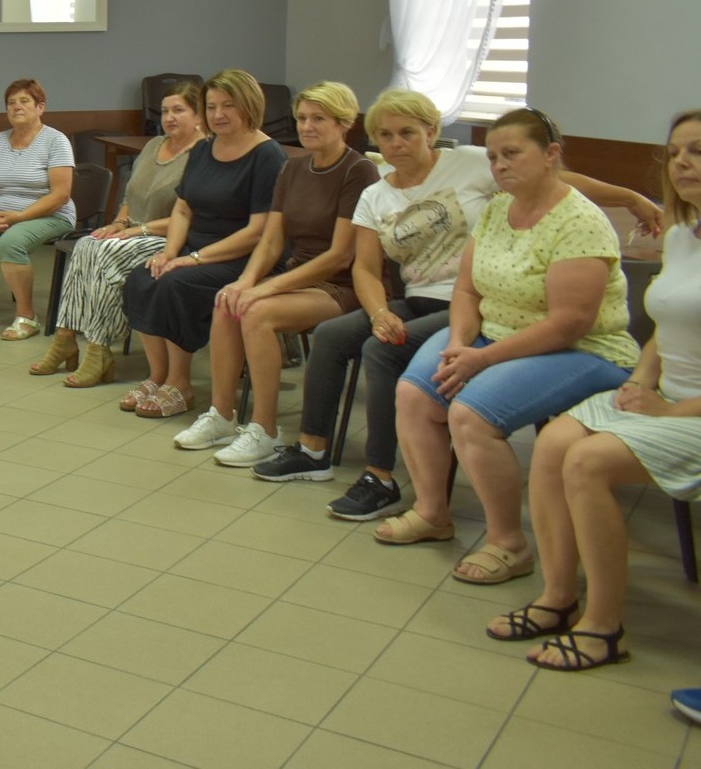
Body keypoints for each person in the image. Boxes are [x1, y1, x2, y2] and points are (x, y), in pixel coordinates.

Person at [250, 89, 662, 516]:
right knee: (333, 335)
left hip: (471, 303)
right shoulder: (376, 194)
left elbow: (553, 180)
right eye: (385, 135)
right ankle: (313, 451)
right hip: (416, 299)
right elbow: (366, 270)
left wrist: (629, 197)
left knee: (381, 349)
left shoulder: (470, 163)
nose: (396, 143)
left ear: (431, 132)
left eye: (407, 132)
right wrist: (379, 313)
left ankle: (380, 475)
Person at [482, 110, 700, 670]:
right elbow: (666, 328)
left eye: (697, 151)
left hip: (690, 411)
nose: (682, 163)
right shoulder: (684, 234)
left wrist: (672, 409)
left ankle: (603, 628)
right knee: (554, 444)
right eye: (675, 152)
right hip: (662, 397)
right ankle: (558, 598)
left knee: (587, 461)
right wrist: (642, 380)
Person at [383, 109, 639, 587]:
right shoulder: (499, 209)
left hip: (581, 350)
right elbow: (466, 290)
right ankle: (432, 512)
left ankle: (508, 543)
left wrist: (481, 359)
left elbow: (570, 322)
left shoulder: (580, 220)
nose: (499, 165)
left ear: (551, 155)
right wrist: (459, 342)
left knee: (470, 415)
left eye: (512, 154)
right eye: (493, 157)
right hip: (491, 333)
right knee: (414, 394)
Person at [180, 82, 379, 465]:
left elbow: (339, 256)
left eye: (318, 119)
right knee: (227, 301)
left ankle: (265, 430)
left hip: (341, 285)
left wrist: (266, 290)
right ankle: (222, 416)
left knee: (256, 312)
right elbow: (271, 241)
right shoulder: (294, 166)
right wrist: (246, 282)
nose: (307, 126)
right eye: (301, 118)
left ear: (343, 123)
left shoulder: (359, 170)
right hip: (298, 276)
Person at [122, 69, 288, 418]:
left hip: (244, 256)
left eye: (228, 106)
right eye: (211, 107)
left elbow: (258, 231)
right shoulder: (202, 149)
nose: (218, 114)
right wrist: (169, 252)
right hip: (197, 248)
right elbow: (183, 208)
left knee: (174, 284)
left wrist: (193, 258)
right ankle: (158, 374)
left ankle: (180, 383)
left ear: (249, 105)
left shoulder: (267, 155)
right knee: (142, 277)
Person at [34, 81, 205, 386]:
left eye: (179, 110)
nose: (170, 117)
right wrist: (119, 223)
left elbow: (189, 216)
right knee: (88, 244)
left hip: (169, 238)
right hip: (134, 230)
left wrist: (137, 229)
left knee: (106, 254)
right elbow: (130, 194)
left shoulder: (203, 155)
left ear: (198, 115)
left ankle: (99, 350)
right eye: (165, 111)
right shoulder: (154, 145)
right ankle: (65, 338)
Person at [0, 78, 75, 339]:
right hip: (1, 214)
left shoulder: (56, 140)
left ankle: (27, 317)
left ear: (40, 107)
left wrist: (19, 217)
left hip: (50, 214)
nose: (16, 106)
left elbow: (61, 195)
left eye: (24, 101)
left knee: (10, 244)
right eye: (11, 102)